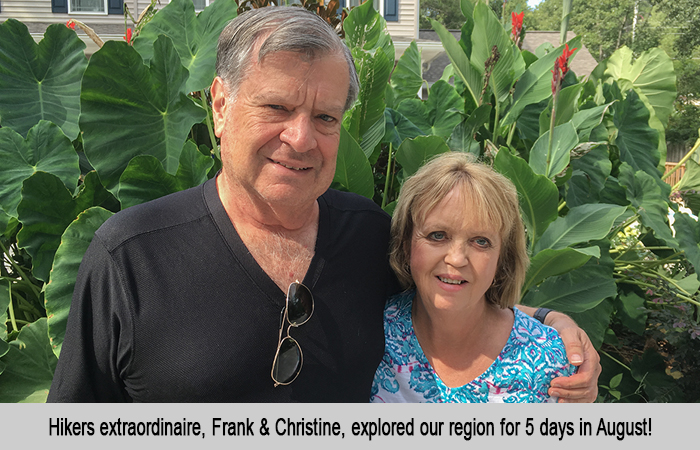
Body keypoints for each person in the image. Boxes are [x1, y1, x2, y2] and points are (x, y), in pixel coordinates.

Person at [48, 7, 599, 402]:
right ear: (219, 105)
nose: (301, 138)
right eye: (277, 107)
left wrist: (552, 323)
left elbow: (450, 293)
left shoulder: (367, 236)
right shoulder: (130, 257)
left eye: (325, 118)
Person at [371, 153, 575, 402]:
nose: (457, 259)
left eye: (480, 241)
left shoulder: (549, 360)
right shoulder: (370, 330)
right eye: (438, 235)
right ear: (406, 245)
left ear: (502, 260)